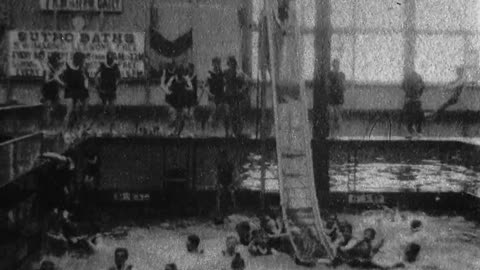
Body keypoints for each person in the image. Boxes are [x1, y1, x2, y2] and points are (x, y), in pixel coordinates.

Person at [223, 56, 251, 138]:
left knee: (237, 115)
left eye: (233, 63)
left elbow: (247, 82)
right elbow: (222, 81)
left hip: (236, 96)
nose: (231, 65)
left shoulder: (239, 73)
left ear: (235, 63)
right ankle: (228, 132)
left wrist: (242, 90)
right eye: (230, 63)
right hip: (228, 95)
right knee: (228, 114)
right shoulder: (226, 72)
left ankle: (236, 132)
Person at [94, 51, 121, 117]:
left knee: (111, 102)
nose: (110, 60)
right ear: (106, 58)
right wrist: (97, 83)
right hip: (103, 86)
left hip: (111, 86)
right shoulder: (102, 65)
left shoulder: (115, 66)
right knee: (104, 102)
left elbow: (119, 77)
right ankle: (103, 116)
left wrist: (116, 84)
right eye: (109, 58)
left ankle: (112, 117)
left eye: (111, 58)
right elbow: (96, 74)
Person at [41, 52, 64, 127]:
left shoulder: (55, 69)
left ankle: (51, 123)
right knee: (47, 107)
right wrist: (54, 78)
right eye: (57, 60)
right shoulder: (47, 69)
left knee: (56, 106)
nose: (57, 62)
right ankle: (46, 124)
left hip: (55, 90)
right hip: (48, 89)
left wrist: (61, 83)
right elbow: (46, 80)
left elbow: (58, 80)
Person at [402, 70, 425, 138]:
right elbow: (423, 87)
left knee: (408, 117)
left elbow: (403, 86)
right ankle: (418, 132)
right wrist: (418, 95)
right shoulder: (418, 77)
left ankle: (410, 131)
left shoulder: (407, 78)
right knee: (418, 117)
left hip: (409, 101)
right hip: (416, 100)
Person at [207, 57, 227, 132]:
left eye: (218, 63)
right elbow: (204, 86)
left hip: (220, 95)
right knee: (213, 111)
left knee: (219, 112)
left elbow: (225, 84)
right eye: (215, 63)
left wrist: (224, 91)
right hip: (212, 96)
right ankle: (212, 129)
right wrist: (209, 93)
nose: (217, 65)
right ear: (212, 64)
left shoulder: (222, 73)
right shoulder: (209, 73)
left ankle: (218, 129)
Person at [327, 59, 346, 137]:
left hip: (338, 98)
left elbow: (343, 86)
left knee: (338, 117)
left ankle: (340, 134)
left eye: (337, 65)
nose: (336, 66)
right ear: (333, 65)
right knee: (332, 116)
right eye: (335, 65)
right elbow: (328, 86)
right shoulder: (330, 74)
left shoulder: (341, 75)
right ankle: (332, 134)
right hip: (332, 98)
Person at [216, 150, 235, 215]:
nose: (223, 158)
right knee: (222, 196)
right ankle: (222, 210)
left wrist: (230, 184)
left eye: (224, 157)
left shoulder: (229, 165)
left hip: (228, 183)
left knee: (229, 196)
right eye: (222, 157)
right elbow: (218, 176)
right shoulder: (220, 166)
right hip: (223, 183)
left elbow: (232, 175)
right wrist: (219, 184)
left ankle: (229, 210)